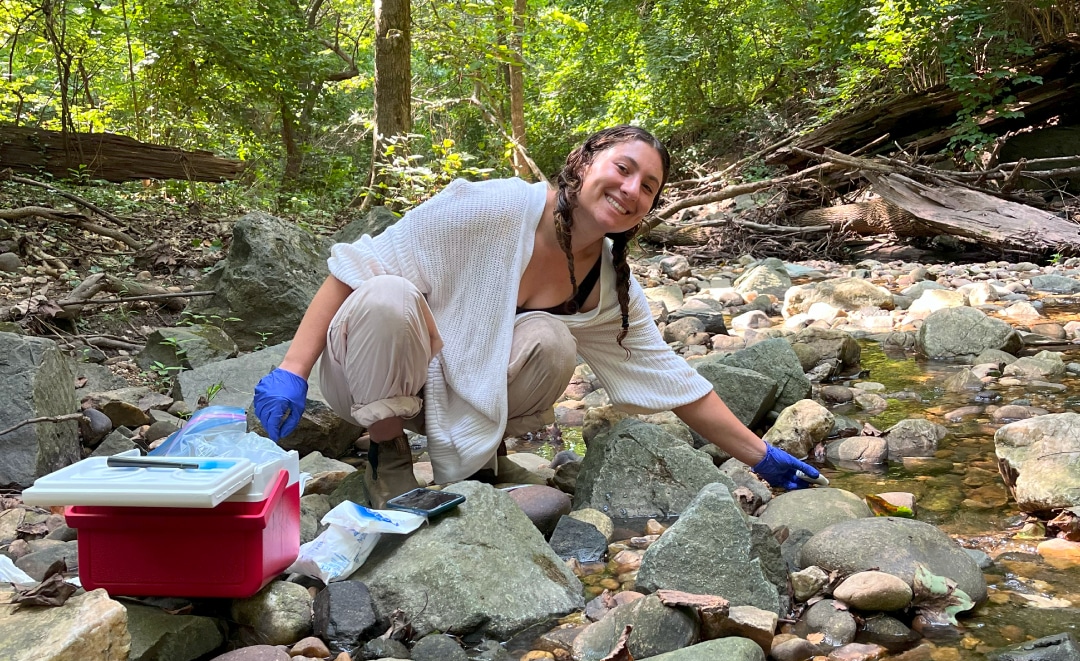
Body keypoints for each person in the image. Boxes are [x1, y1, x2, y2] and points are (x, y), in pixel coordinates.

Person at [253, 125, 820, 507]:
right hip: (373, 370)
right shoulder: (493, 206)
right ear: (581, 163)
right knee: (389, 293)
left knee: (552, 338)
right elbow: (355, 267)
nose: (630, 190)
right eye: (622, 169)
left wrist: (759, 455)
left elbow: (672, 379)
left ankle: (480, 458)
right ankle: (388, 453)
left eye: (647, 187)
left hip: (456, 392)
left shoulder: (610, 285)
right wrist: (293, 371)